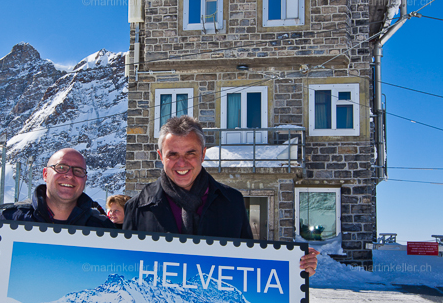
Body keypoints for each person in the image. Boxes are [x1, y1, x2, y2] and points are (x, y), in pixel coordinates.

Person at [123, 116, 318, 276]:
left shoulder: (232, 202)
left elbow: (249, 263)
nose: (181, 163)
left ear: (203, 154)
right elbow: (124, 267)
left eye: (190, 153)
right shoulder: (138, 208)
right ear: (160, 156)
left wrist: (295, 267)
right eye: (172, 154)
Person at [0, 148, 115, 303]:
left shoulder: (103, 230)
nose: (69, 175)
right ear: (45, 174)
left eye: (78, 171)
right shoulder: (11, 221)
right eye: (61, 168)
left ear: (85, 180)